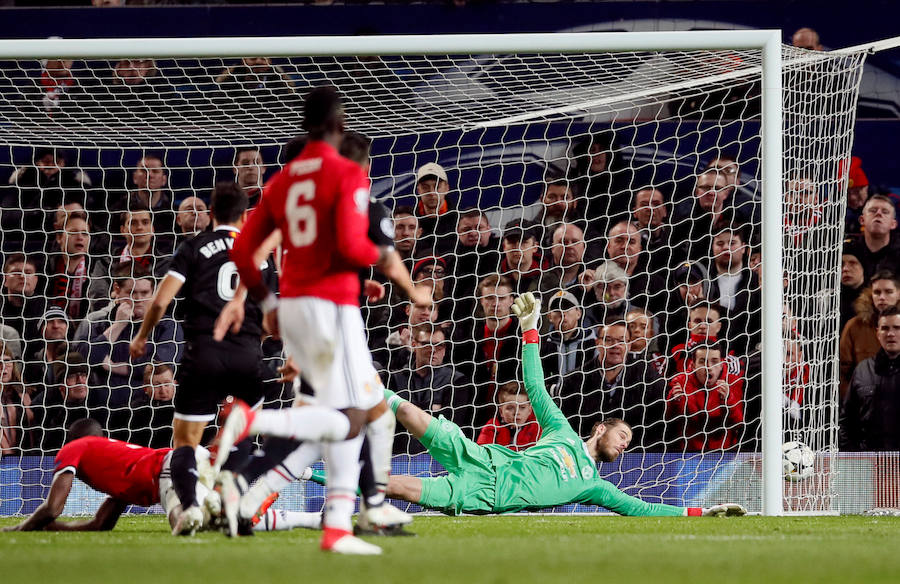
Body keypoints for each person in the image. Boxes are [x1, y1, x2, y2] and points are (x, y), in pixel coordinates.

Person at [375, 292, 745, 517]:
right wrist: (531, 329)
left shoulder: (593, 486)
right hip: (481, 457)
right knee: (407, 410)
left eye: (628, 441)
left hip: (484, 495)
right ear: (600, 428)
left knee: (395, 488)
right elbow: (535, 386)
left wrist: (700, 511)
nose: (625, 442)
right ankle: (361, 384)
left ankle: (328, 482)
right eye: (622, 434)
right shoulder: (562, 431)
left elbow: (643, 508)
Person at [221, 86, 393, 555]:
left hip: (292, 306)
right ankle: (252, 422)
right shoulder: (345, 173)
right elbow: (352, 246)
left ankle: (337, 524)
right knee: (356, 413)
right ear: (338, 126)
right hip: (331, 308)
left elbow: (243, 249)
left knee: (347, 417)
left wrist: (266, 303)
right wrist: (385, 255)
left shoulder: (282, 181)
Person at [127, 182, 272, 535]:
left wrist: (143, 335)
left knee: (186, 442)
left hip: (203, 352)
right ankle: (230, 506)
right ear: (243, 215)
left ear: (210, 214)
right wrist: (256, 338)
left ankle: (191, 507)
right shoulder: (260, 253)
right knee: (241, 437)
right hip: (246, 356)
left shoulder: (194, 246)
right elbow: (271, 317)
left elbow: (161, 301)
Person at [2, 418, 320, 535]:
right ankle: (313, 521)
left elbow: (54, 506)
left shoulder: (75, 448)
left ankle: (243, 503)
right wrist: (54, 528)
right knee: (225, 521)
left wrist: (25, 525)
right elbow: (101, 525)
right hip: (185, 461)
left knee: (185, 527)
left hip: (171, 468)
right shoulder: (119, 471)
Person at [839, 306, 900, 451]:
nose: (891, 334)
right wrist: (855, 456)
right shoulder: (862, 370)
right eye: (885, 328)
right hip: (869, 462)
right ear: (877, 333)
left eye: (897, 328)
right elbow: (847, 420)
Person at [666, 342, 744, 452]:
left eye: (714, 361)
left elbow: (738, 424)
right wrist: (675, 401)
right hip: (689, 456)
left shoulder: (732, 382)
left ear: (722, 364)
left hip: (725, 456)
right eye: (702, 362)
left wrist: (729, 400)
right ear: (693, 365)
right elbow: (669, 423)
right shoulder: (681, 383)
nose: (709, 367)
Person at [839, 270, 900, 398]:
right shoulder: (854, 326)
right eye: (877, 292)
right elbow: (842, 371)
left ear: (898, 293)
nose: (882, 297)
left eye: (888, 292)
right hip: (865, 402)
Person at [476, 381, 541, 452]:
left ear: (529, 410)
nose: (517, 413)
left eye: (522, 407)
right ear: (501, 412)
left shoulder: (536, 426)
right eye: (510, 408)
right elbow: (482, 451)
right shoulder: (492, 426)